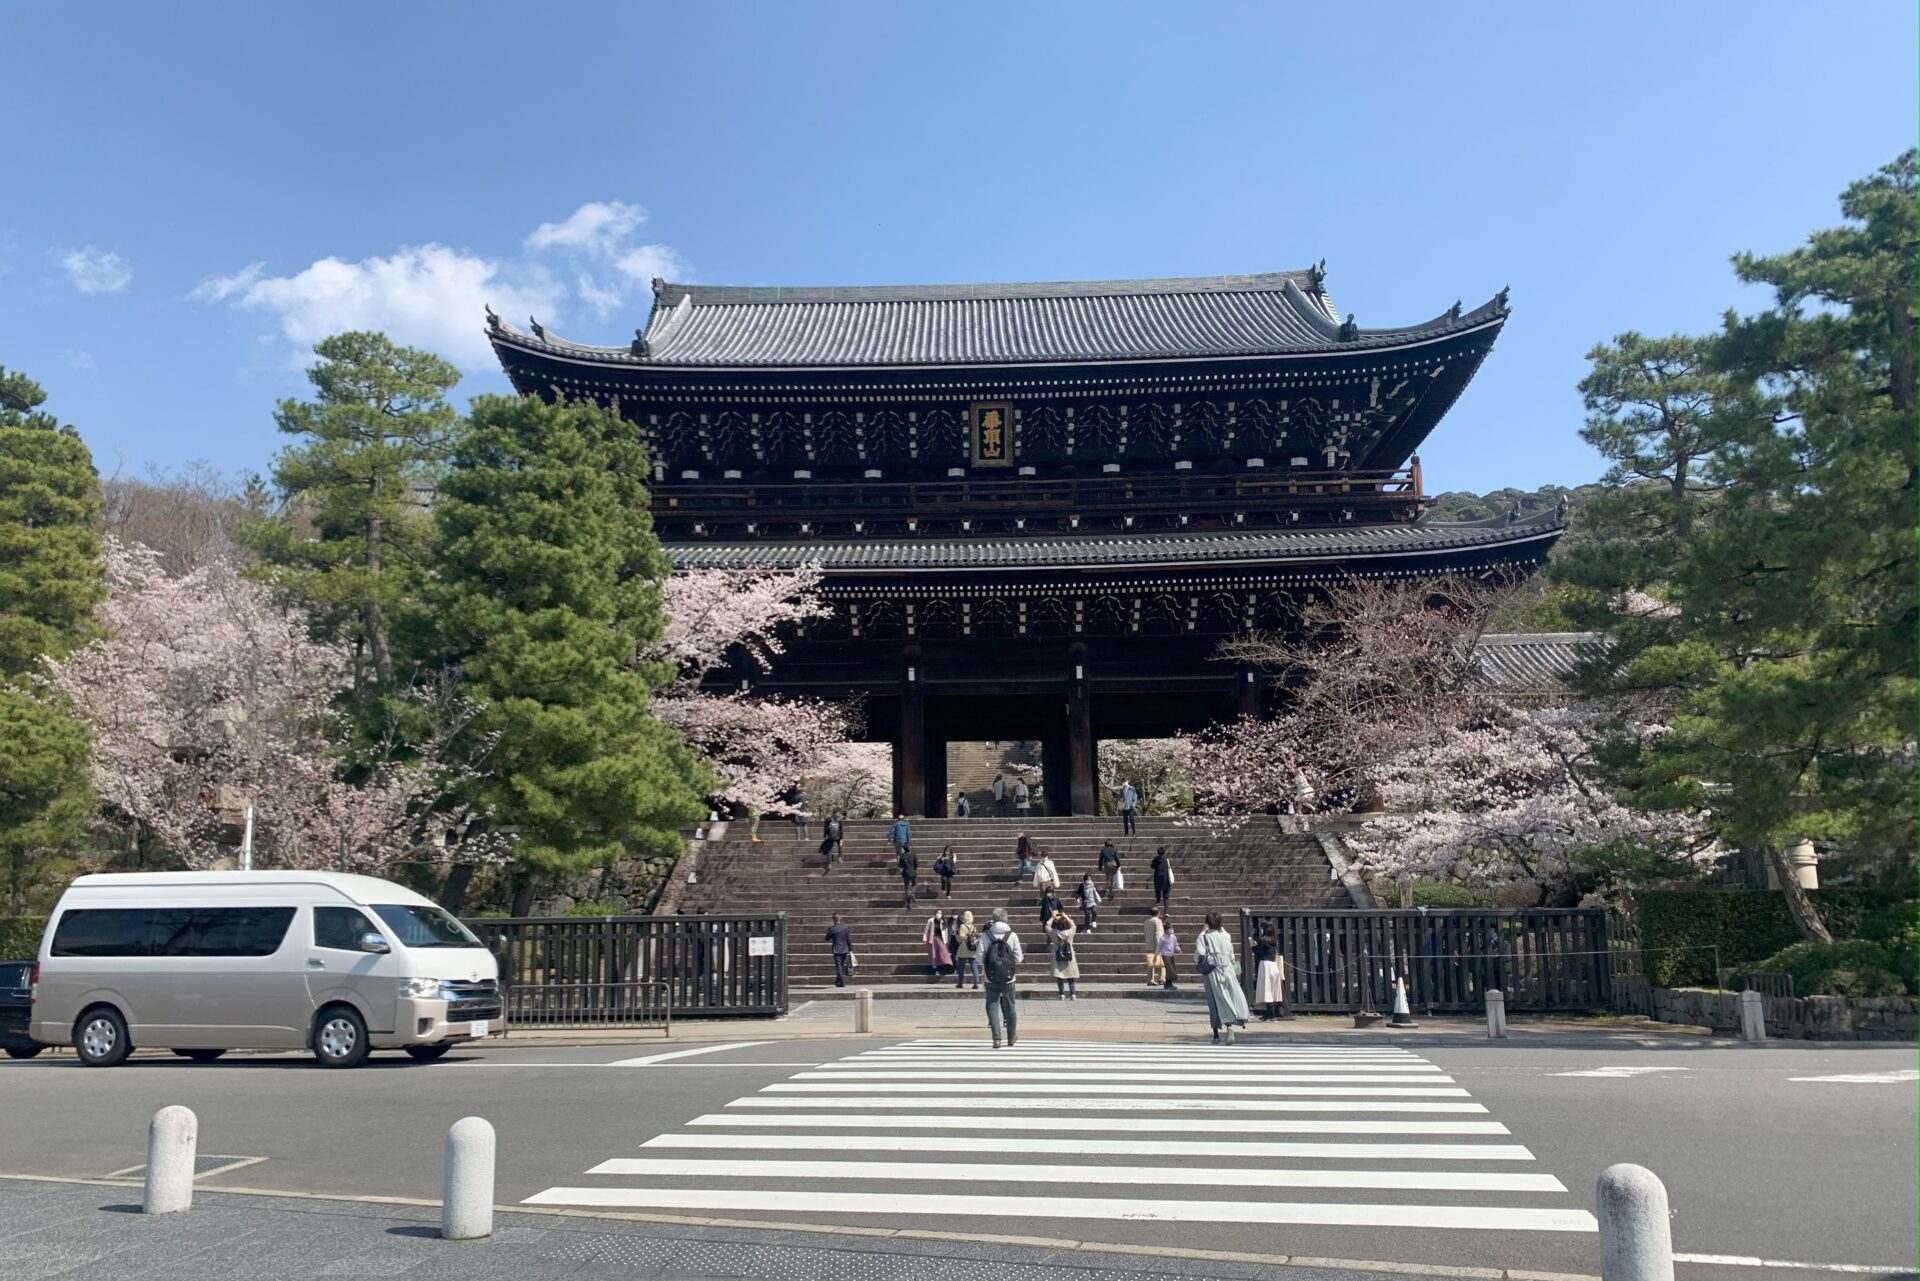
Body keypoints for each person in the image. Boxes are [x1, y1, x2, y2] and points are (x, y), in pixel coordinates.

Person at [1197, 912, 1252, 1042]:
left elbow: (1200, 953)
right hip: (1228, 972)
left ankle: (1216, 1035)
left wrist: (1202, 933)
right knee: (1229, 999)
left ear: (1207, 923)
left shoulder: (1204, 937)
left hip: (1212, 973)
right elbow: (1232, 957)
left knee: (1215, 1002)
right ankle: (1230, 1025)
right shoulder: (1226, 937)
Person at [980, 907, 1024, 1048]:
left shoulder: (986, 935)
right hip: (1008, 978)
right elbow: (1019, 957)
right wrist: (1009, 965)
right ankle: (1011, 1037)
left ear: (993, 919)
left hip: (990, 977)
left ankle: (996, 1038)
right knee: (1010, 1006)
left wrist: (989, 965)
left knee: (992, 1006)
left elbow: (979, 957)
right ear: (1006, 919)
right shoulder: (1012, 935)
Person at [1253, 925, 1286, 1020]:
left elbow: (1259, 954)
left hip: (1265, 965)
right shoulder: (1273, 941)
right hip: (1273, 965)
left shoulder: (1263, 940)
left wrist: (1253, 946)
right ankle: (1270, 1012)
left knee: (1266, 989)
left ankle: (1270, 1013)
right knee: (1272, 989)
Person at [1046, 908, 1080, 1000]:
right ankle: (1073, 994)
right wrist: (1066, 917)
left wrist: (1052, 917)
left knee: (1060, 976)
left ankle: (1062, 994)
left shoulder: (1054, 933)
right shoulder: (1071, 932)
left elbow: (1047, 926)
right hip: (1069, 954)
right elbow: (1073, 925)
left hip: (1058, 954)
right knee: (1070, 976)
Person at [953, 910, 981, 989]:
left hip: (964, 949)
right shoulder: (973, 926)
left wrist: (956, 936)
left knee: (961, 967)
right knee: (974, 966)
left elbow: (961, 938)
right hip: (972, 949)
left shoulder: (962, 926)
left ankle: (960, 983)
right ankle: (976, 983)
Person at [824, 913, 854, 988]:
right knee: (841, 966)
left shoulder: (832, 929)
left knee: (839, 966)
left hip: (836, 950)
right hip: (844, 949)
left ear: (833, 919)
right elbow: (848, 939)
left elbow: (826, 938)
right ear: (840, 919)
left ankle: (841, 981)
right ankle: (838, 981)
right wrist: (850, 949)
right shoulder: (845, 928)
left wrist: (829, 932)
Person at [923, 907, 952, 982]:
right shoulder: (931, 920)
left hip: (940, 939)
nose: (938, 914)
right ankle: (935, 968)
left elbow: (945, 931)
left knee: (943, 953)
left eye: (940, 913)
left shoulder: (943, 921)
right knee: (934, 954)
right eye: (937, 913)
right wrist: (925, 936)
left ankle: (946, 966)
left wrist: (945, 940)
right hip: (933, 939)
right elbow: (926, 929)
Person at [1142, 905, 1167, 987]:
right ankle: (1162, 978)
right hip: (1156, 945)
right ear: (1158, 913)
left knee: (1151, 963)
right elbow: (1157, 934)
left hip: (1149, 945)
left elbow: (1145, 933)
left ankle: (1150, 980)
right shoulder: (1158, 921)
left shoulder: (1147, 921)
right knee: (1162, 962)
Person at [1156, 918, 1181, 990]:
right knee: (1169, 969)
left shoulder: (1173, 937)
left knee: (1172, 969)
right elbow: (1159, 947)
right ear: (1166, 930)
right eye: (1170, 929)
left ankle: (1168, 983)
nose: (1171, 930)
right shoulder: (1163, 938)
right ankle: (1168, 984)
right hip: (1165, 955)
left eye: (1172, 929)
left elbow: (1175, 945)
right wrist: (1156, 955)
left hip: (1171, 955)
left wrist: (1178, 949)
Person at [1151, 847, 1174, 912]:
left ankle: (1157, 903)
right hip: (1165, 880)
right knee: (1166, 897)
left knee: (1158, 892)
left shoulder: (1156, 859)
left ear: (1157, 852)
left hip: (1157, 879)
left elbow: (1152, 866)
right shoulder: (1166, 860)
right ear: (1164, 852)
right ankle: (1166, 911)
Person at [898, 843, 918, 909]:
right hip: (913, 872)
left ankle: (908, 903)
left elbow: (900, 865)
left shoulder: (902, 856)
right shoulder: (913, 855)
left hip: (905, 873)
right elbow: (916, 864)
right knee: (914, 884)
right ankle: (912, 893)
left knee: (906, 887)